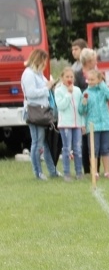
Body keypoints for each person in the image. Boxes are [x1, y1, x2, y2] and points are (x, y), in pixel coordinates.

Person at [21, 48, 59, 180]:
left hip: (44, 111)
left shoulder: (39, 74)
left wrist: (51, 86)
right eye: (44, 60)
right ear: (38, 60)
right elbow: (31, 93)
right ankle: (38, 173)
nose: (45, 63)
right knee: (37, 143)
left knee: (47, 143)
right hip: (34, 111)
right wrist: (46, 88)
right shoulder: (29, 74)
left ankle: (53, 171)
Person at [80, 70, 109, 179]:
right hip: (93, 125)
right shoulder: (86, 93)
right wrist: (84, 103)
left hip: (106, 124)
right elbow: (81, 111)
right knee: (93, 149)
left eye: (93, 79)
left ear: (99, 80)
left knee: (106, 149)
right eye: (89, 79)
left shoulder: (103, 91)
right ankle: (94, 172)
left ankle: (106, 171)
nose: (90, 81)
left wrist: (102, 85)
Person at [54, 68, 84, 181]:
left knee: (78, 148)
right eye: (67, 77)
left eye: (71, 77)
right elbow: (61, 106)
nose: (69, 79)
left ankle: (79, 172)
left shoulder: (77, 90)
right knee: (67, 148)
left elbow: (80, 107)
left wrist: (83, 122)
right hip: (65, 124)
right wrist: (68, 94)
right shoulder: (59, 91)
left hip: (77, 123)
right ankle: (66, 173)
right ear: (62, 78)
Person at [74, 48, 99, 175]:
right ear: (88, 61)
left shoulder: (97, 74)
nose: (96, 62)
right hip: (83, 112)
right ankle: (87, 170)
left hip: (96, 111)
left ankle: (97, 169)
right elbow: (76, 95)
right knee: (85, 141)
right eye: (94, 59)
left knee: (96, 140)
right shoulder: (77, 75)